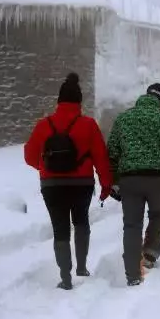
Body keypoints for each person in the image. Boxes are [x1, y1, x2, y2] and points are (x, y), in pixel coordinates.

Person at [24, 72, 112, 290]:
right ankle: (81, 267)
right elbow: (101, 156)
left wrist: (45, 168)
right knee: (81, 221)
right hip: (82, 184)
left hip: (52, 186)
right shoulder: (89, 124)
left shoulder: (44, 125)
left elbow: (29, 155)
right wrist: (106, 184)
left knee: (60, 229)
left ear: (59, 101)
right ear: (79, 102)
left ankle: (65, 277)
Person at [107, 83, 160, 287]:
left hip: (129, 180)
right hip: (156, 180)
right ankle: (149, 255)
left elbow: (112, 153)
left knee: (131, 225)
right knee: (159, 214)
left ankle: (132, 274)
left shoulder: (124, 118)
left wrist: (113, 182)